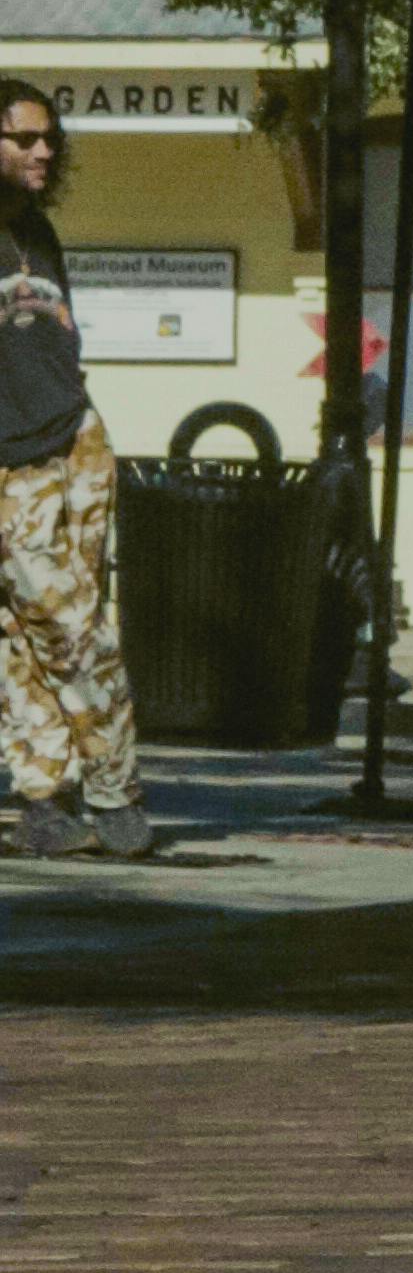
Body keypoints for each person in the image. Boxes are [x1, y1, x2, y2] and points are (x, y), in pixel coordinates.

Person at [0, 82, 157, 862]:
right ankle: (96, 789)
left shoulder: (39, 231)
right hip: (9, 460)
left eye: (48, 138)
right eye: (23, 138)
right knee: (45, 628)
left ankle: (56, 798)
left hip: (76, 441)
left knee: (74, 620)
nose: (42, 151)